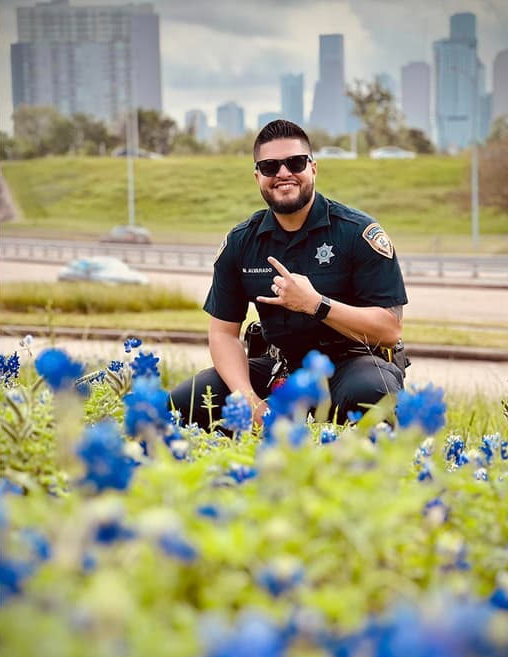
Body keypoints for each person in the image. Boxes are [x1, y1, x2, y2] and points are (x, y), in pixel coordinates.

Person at [168, 119, 410, 430]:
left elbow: (390, 330)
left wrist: (316, 305)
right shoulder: (241, 242)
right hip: (279, 365)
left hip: (352, 363)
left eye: (295, 162)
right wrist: (248, 400)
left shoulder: (357, 233)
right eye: (270, 166)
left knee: (373, 395)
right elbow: (223, 334)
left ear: (313, 168)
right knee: (184, 404)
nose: (283, 173)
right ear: (258, 177)